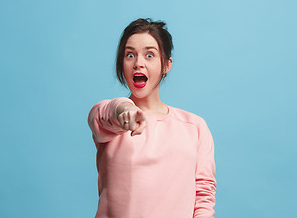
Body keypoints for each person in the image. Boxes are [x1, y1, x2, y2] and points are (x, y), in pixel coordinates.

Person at [88, 18, 216, 218]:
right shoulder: (110, 118)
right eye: (130, 55)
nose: (138, 63)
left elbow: (203, 196)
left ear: (166, 65)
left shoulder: (195, 127)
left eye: (149, 55)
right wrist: (124, 111)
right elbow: (106, 113)